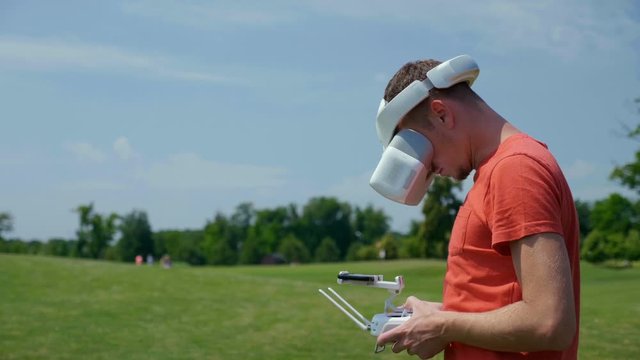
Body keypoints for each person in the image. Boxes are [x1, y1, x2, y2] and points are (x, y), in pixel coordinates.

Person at [374, 57, 580, 359]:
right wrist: (438, 316)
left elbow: (550, 322)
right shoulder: (499, 171)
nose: (428, 171)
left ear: (441, 113)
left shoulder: (516, 170)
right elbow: (505, 303)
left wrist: (443, 325)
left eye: (420, 149)